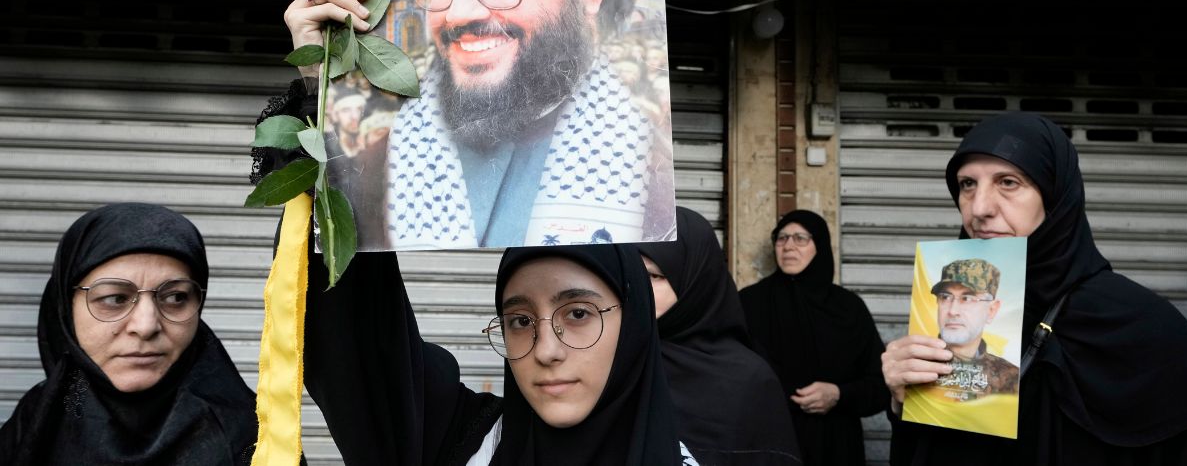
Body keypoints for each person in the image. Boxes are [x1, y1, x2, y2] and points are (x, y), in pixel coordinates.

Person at [288, 0, 671, 249]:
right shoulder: (378, 164)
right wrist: (315, 73)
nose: (461, 13)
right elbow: (319, 268)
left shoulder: (650, 176)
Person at [882, 112, 1187, 464]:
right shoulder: (953, 317)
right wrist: (903, 401)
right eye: (967, 184)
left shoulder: (1144, 325)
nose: (980, 208)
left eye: (1008, 182)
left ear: (1055, 195)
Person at [294, 237, 696, 464]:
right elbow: (356, 342)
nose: (546, 351)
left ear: (636, 326)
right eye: (520, 321)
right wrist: (335, 172)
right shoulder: (464, 443)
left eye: (577, 313)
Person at [0, 203, 258, 465]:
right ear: (66, 308)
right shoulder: (36, 422)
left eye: (176, 297)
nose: (146, 326)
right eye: (114, 298)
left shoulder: (253, 438)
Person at [634, 207, 802, 465]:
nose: (637, 290)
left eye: (654, 276)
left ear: (694, 281)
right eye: (630, 274)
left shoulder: (749, 380)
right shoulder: (607, 362)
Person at [739, 209, 891, 466]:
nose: (788, 246)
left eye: (800, 238)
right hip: (769, 443)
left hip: (836, 446)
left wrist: (838, 394)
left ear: (819, 245)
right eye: (782, 238)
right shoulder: (749, 303)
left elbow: (880, 385)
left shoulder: (848, 308)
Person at [928, 258, 1018, 401]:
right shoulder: (918, 364)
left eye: (967, 298)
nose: (953, 311)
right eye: (945, 297)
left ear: (991, 310)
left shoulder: (1010, 377)